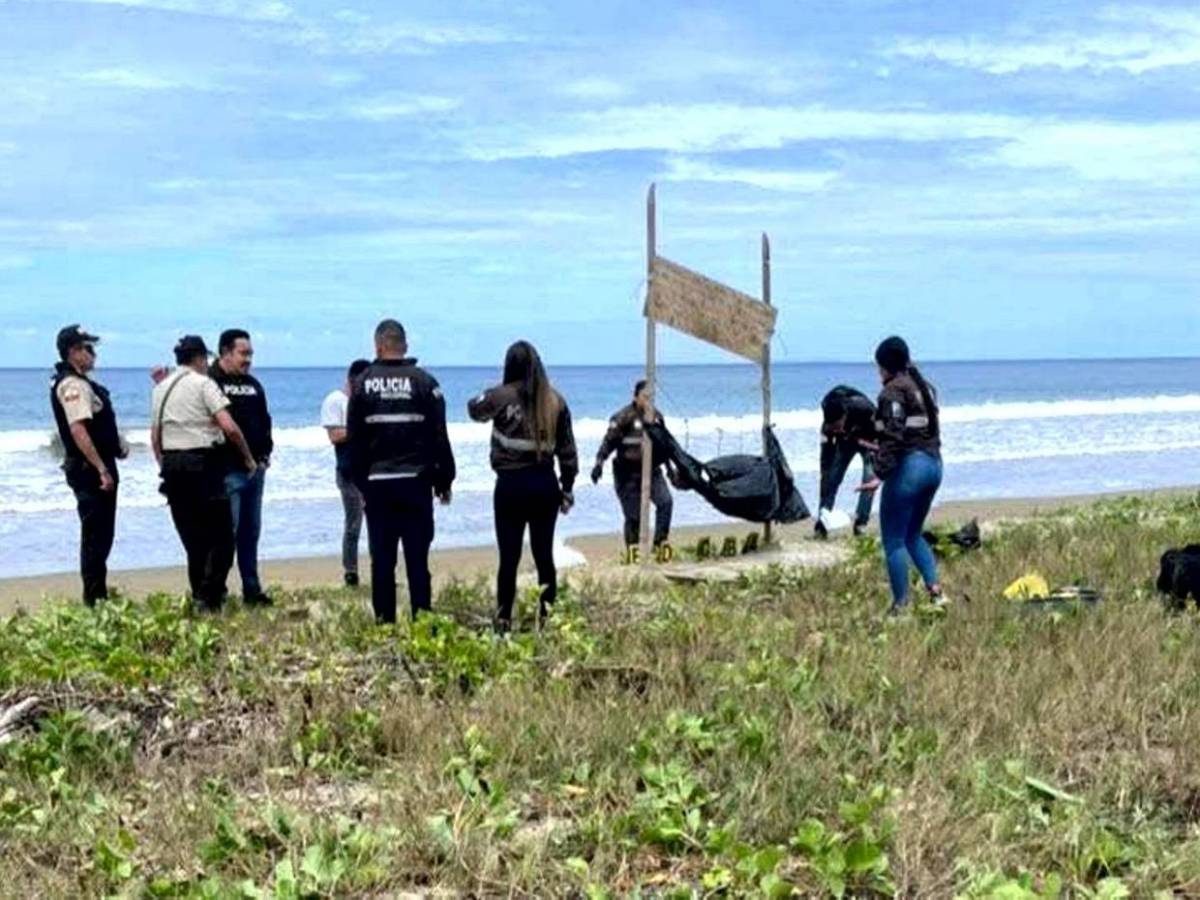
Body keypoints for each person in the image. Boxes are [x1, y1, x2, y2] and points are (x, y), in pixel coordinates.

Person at [347, 321, 455, 624]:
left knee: (382, 560)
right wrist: (444, 479)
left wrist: (361, 485)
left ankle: (385, 624)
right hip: (416, 484)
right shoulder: (425, 382)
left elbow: (355, 441)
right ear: (404, 346)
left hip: (378, 486)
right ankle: (422, 622)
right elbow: (439, 436)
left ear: (378, 346)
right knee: (417, 560)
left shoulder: (363, 383)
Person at [468, 340, 578, 632]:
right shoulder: (556, 400)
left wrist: (493, 392)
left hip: (511, 486)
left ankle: (504, 622)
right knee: (544, 557)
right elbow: (568, 451)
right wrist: (567, 488)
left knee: (509, 558)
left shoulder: (501, 396)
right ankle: (546, 620)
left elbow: (473, 409)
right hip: (545, 484)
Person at [151, 335, 258, 612]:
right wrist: (247, 458)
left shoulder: (161, 388)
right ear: (200, 358)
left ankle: (200, 593)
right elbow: (229, 426)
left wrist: (164, 466)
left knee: (194, 539)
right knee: (223, 539)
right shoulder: (204, 383)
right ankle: (209, 598)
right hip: (204, 465)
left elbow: (155, 437)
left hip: (173, 467)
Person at [856, 336, 947, 616]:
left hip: (910, 470)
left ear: (884, 366)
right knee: (912, 534)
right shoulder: (924, 387)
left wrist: (879, 475)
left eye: (878, 366)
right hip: (934, 465)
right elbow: (914, 429)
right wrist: (877, 444)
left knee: (893, 540)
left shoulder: (892, 392)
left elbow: (894, 436)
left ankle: (901, 607)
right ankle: (936, 593)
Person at [49, 325, 128, 606]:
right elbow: (78, 429)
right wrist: (101, 469)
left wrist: (116, 446)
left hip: (94, 466)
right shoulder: (73, 385)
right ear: (73, 352)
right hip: (89, 470)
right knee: (96, 536)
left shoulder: (83, 383)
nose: (93, 354)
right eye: (88, 348)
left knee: (101, 535)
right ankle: (94, 601)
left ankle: (98, 596)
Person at [210, 329, 274, 606]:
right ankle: (217, 590)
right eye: (243, 353)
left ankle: (252, 588)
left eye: (250, 354)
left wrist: (266, 452)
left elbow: (264, 419)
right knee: (226, 535)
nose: (248, 359)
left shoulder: (253, 384)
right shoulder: (211, 383)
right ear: (225, 352)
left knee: (251, 533)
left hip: (255, 469)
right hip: (227, 470)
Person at [591, 379, 674, 561]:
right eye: (645, 397)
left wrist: (670, 469)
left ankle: (659, 547)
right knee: (634, 516)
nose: (649, 401)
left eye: (651, 398)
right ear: (636, 397)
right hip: (627, 473)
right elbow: (608, 443)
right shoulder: (623, 417)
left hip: (652, 470)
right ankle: (633, 555)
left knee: (666, 502)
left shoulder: (657, 417)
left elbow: (665, 446)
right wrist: (599, 463)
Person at [321, 358, 371, 587]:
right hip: (349, 471)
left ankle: (379, 567)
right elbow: (335, 435)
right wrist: (360, 429)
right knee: (353, 523)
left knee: (378, 523)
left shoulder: (368, 401)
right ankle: (350, 571)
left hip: (371, 470)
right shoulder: (336, 401)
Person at [816, 385, 878, 539]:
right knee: (831, 479)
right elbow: (825, 459)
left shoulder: (864, 408)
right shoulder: (827, 429)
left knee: (869, 480)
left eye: (838, 426)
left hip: (869, 439)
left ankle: (860, 524)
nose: (836, 430)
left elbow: (883, 434)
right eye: (833, 429)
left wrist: (873, 448)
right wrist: (826, 476)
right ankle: (822, 524)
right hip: (846, 442)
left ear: (845, 415)